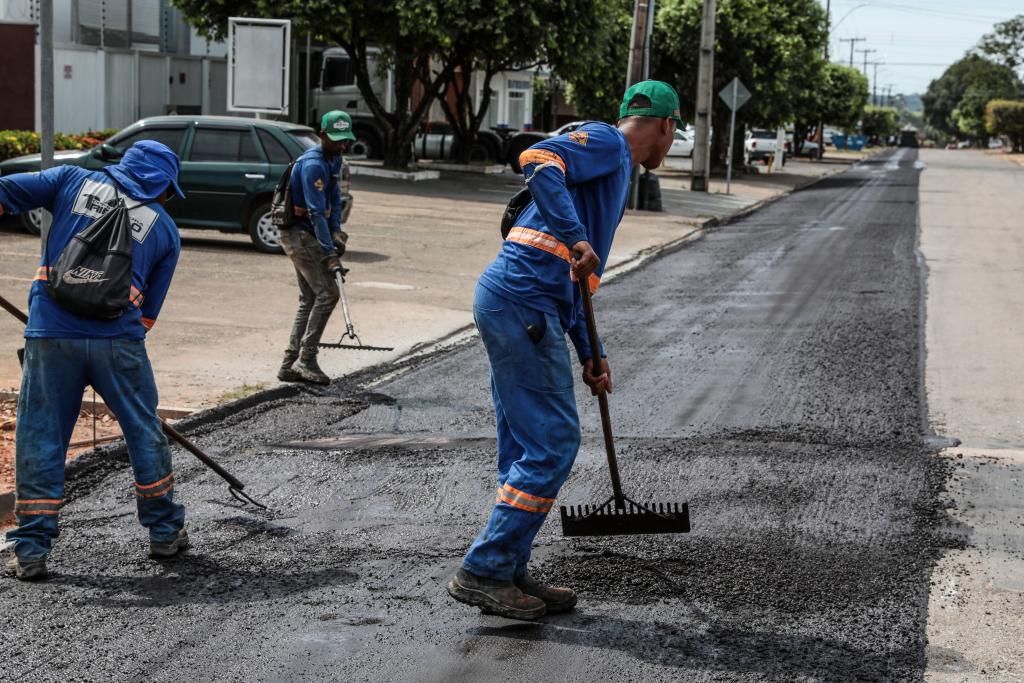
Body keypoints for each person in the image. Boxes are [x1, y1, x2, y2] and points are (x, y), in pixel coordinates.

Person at [447, 81, 681, 619]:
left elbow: (578, 279)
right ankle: (484, 568)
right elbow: (537, 157)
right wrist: (576, 235)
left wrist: (590, 352)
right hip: (522, 301)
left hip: (528, 303)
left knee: (526, 448)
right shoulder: (606, 142)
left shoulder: (611, 170)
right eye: (674, 135)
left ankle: (508, 568)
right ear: (666, 126)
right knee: (553, 443)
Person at [0, 140, 188, 581]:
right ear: (161, 185)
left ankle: (31, 549)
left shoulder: (69, 180)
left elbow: (5, 191)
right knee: (144, 431)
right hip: (118, 342)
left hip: (50, 337)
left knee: (41, 435)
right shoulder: (164, 230)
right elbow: (146, 317)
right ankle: (164, 533)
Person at [277, 110, 355, 385]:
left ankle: (289, 364)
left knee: (310, 298)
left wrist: (337, 233)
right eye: (336, 140)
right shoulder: (313, 165)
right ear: (322, 135)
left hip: (311, 233)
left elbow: (334, 201)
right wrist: (329, 253)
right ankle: (306, 359)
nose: (341, 145)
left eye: (345, 141)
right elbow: (315, 213)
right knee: (327, 293)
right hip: (299, 235)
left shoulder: (334, 160)